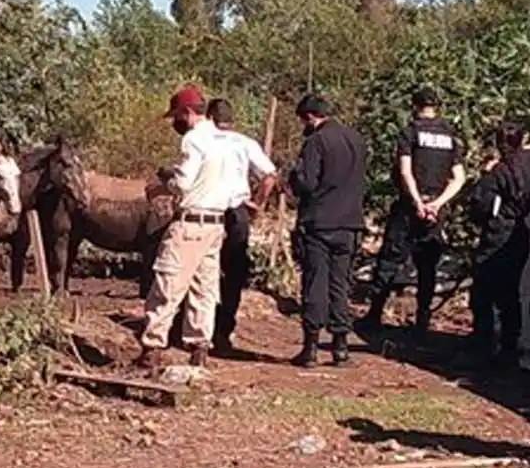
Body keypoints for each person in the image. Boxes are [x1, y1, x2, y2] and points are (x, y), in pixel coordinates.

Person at [138, 85, 236, 368]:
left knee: (168, 283)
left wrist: (161, 186)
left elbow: (183, 182)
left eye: (177, 116)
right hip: (215, 223)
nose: (176, 123)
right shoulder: (225, 140)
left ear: (188, 112)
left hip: (191, 223)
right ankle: (199, 349)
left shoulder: (194, 139)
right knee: (204, 288)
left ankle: (152, 347)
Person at [359, 86, 466, 342]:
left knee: (389, 260)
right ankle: (422, 320)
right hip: (436, 210)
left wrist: (417, 202)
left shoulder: (410, 132)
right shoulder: (450, 136)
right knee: (428, 267)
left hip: (409, 208)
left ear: (415, 106)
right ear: (437, 107)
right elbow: (459, 178)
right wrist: (437, 204)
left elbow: (405, 171)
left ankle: (374, 315)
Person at [288, 94, 367, 367]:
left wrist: (293, 179)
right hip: (350, 222)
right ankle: (340, 347)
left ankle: (310, 347)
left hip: (319, 222)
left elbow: (307, 183)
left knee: (315, 283)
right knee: (340, 284)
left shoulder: (316, 141)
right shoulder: (356, 139)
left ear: (310, 117)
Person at [205, 98, 278, 353]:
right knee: (233, 273)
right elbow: (269, 176)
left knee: (203, 270)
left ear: (210, 118)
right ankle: (223, 330)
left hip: (208, 210)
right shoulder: (245, 143)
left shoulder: (202, 140)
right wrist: (257, 204)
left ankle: (199, 326)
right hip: (237, 212)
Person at [467, 121, 530, 368]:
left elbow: (480, 207)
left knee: (483, 293)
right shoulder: (528, 172)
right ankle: (509, 346)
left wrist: (484, 176)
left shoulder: (497, 174)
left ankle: (483, 343)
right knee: (510, 295)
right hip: (519, 237)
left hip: (496, 237)